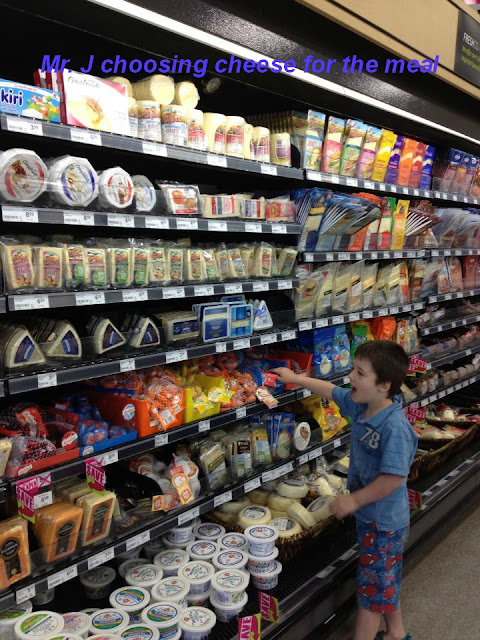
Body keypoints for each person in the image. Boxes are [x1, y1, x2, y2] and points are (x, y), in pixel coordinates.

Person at [273, 340, 417, 640]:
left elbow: (393, 479)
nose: (351, 376)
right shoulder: (364, 404)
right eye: (353, 368)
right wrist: (296, 379)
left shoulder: (395, 429)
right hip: (373, 517)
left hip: (385, 523)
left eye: (360, 373)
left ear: (384, 385)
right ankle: (396, 633)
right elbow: (330, 390)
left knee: (369, 595)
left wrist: (354, 500)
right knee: (383, 578)